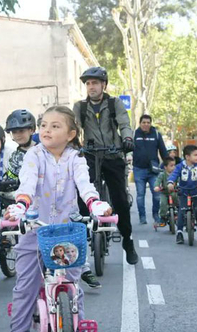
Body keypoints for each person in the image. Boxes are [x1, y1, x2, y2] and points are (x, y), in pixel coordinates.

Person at [2, 106, 112, 332]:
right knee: (25, 287)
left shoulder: (76, 158)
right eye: (43, 125)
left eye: (55, 126)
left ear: (71, 134)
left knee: (72, 286)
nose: (46, 130)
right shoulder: (33, 155)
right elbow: (27, 184)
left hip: (66, 231)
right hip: (32, 228)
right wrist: (19, 206)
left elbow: (85, 185)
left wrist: (95, 204)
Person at [73, 66, 138, 265]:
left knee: (119, 199)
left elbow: (124, 123)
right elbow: (73, 127)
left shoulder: (114, 103)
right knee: (82, 196)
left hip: (113, 153)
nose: (91, 87)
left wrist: (127, 138)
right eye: (88, 83)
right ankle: (82, 240)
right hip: (90, 155)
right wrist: (71, 144)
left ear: (104, 85)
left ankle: (127, 240)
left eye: (95, 83)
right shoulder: (80, 107)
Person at [167, 145, 197, 244]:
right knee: (181, 212)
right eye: (195, 155)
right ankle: (179, 233)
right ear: (187, 157)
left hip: (196, 192)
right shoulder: (179, 166)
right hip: (183, 192)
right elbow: (173, 175)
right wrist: (170, 182)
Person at [131, 114, 168, 224]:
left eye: (148, 122)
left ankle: (156, 215)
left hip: (153, 170)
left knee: (156, 194)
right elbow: (127, 149)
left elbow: (163, 151)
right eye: (144, 122)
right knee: (140, 194)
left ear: (150, 123)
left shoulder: (156, 134)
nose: (146, 124)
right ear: (140, 123)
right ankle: (142, 217)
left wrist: (168, 164)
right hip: (138, 169)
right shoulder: (134, 134)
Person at [5, 109, 37, 180]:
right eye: (14, 132)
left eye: (21, 131)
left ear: (31, 130)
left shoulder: (44, 151)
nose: (18, 135)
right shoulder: (14, 157)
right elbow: (12, 177)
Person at [153, 156, 178, 226]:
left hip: (174, 191)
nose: (173, 167)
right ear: (165, 167)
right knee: (163, 203)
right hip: (164, 192)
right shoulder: (162, 174)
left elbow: (180, 181)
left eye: (174, 165)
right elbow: (158, 181)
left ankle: (178, 210)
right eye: (171, 166)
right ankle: (163, 217)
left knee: (176, 197)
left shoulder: (176, 174)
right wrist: (156, 186)